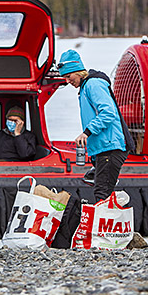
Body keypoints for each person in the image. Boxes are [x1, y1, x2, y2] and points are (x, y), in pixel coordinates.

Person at [58, 49, 128, 202]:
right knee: (101, 193)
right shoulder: (84, 88)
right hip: (103, 149)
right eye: (65, 78)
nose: (67, 81)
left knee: (101, 194)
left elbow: (108, 112)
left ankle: (102, 225)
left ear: (78, 71)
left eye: (69, 77)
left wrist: (87, 132)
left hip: (110, 148)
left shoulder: (93, 84)